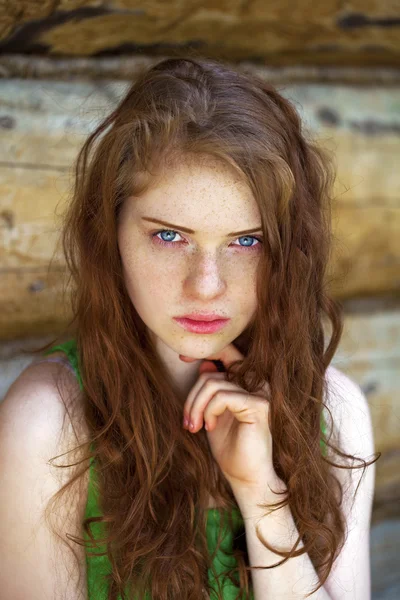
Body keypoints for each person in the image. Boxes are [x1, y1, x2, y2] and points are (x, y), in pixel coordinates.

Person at [0, 57, 378, 600]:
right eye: (170, 237)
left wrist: (261, 495)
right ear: (110, 234)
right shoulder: (49, 423)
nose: (206, 286)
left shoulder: (335, 411)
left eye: (246, 242)